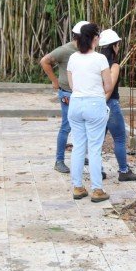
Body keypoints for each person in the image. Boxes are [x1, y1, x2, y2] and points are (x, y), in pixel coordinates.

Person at [67, 23, 113, 202]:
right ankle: (97, 189)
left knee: (78, 147)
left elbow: (72, 85)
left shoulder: (73, 58)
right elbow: (108, 85)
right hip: (95, 103)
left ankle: (78, 187)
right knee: (94, 148)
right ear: (95, 38)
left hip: (76, 103)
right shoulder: (100, 58)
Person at [39, 20, 87, 174]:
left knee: (82, 126)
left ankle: (80, 155)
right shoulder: (65, 50)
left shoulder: (85, 50)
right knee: (66, 126)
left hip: (82, 93)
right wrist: (55, 81)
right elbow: (44, 61)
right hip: (68, 93)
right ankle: (59, 160)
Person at [98, 29, 136, 182]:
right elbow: (109, 87)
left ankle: (98, 170)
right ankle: (124, 170)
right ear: (114, 46)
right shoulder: (113, 65)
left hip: (96, 103)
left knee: (97, 140)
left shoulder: (96, 61)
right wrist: (102, 103)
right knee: (119, 139)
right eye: (117, 44)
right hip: (109, 104)